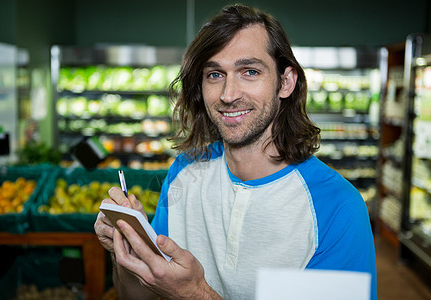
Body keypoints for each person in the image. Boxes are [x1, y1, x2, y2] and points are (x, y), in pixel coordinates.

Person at [94, 4, 377, 300]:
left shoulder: (338, 207)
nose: (228, 95)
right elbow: (138, 296)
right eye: (215, 74)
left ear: (286, 82)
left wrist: (196, 294)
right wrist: (126, 250)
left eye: (250, 71)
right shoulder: (184, 172)